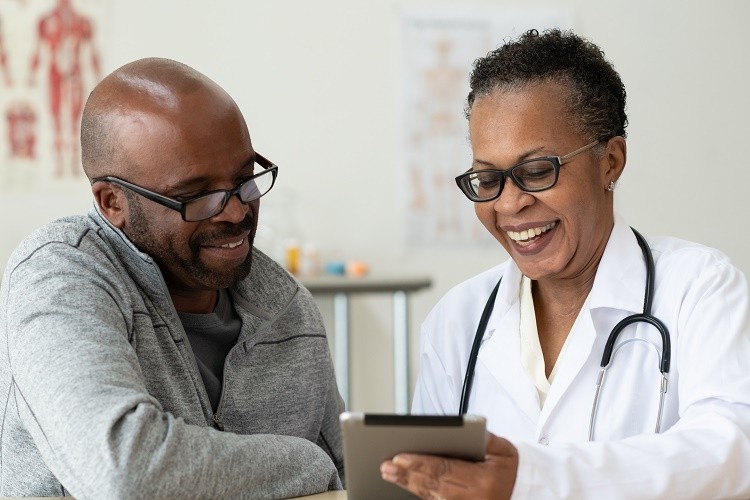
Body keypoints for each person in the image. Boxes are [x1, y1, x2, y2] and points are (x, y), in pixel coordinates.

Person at [381, 29, 750, 499]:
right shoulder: (457, 321)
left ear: (610, 162)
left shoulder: (699, 287)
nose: (509, 204)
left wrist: (532, 477)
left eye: (537, 171)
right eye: (488, 178)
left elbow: (733, 450)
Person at [0, 57, 344, 498]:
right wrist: (304, 462)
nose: (237, 211)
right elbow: (124, 469)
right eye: (198, 196)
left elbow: (347, 476)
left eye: (245, 180)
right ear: (112, 202)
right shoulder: (59, 276)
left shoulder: (286, 306)